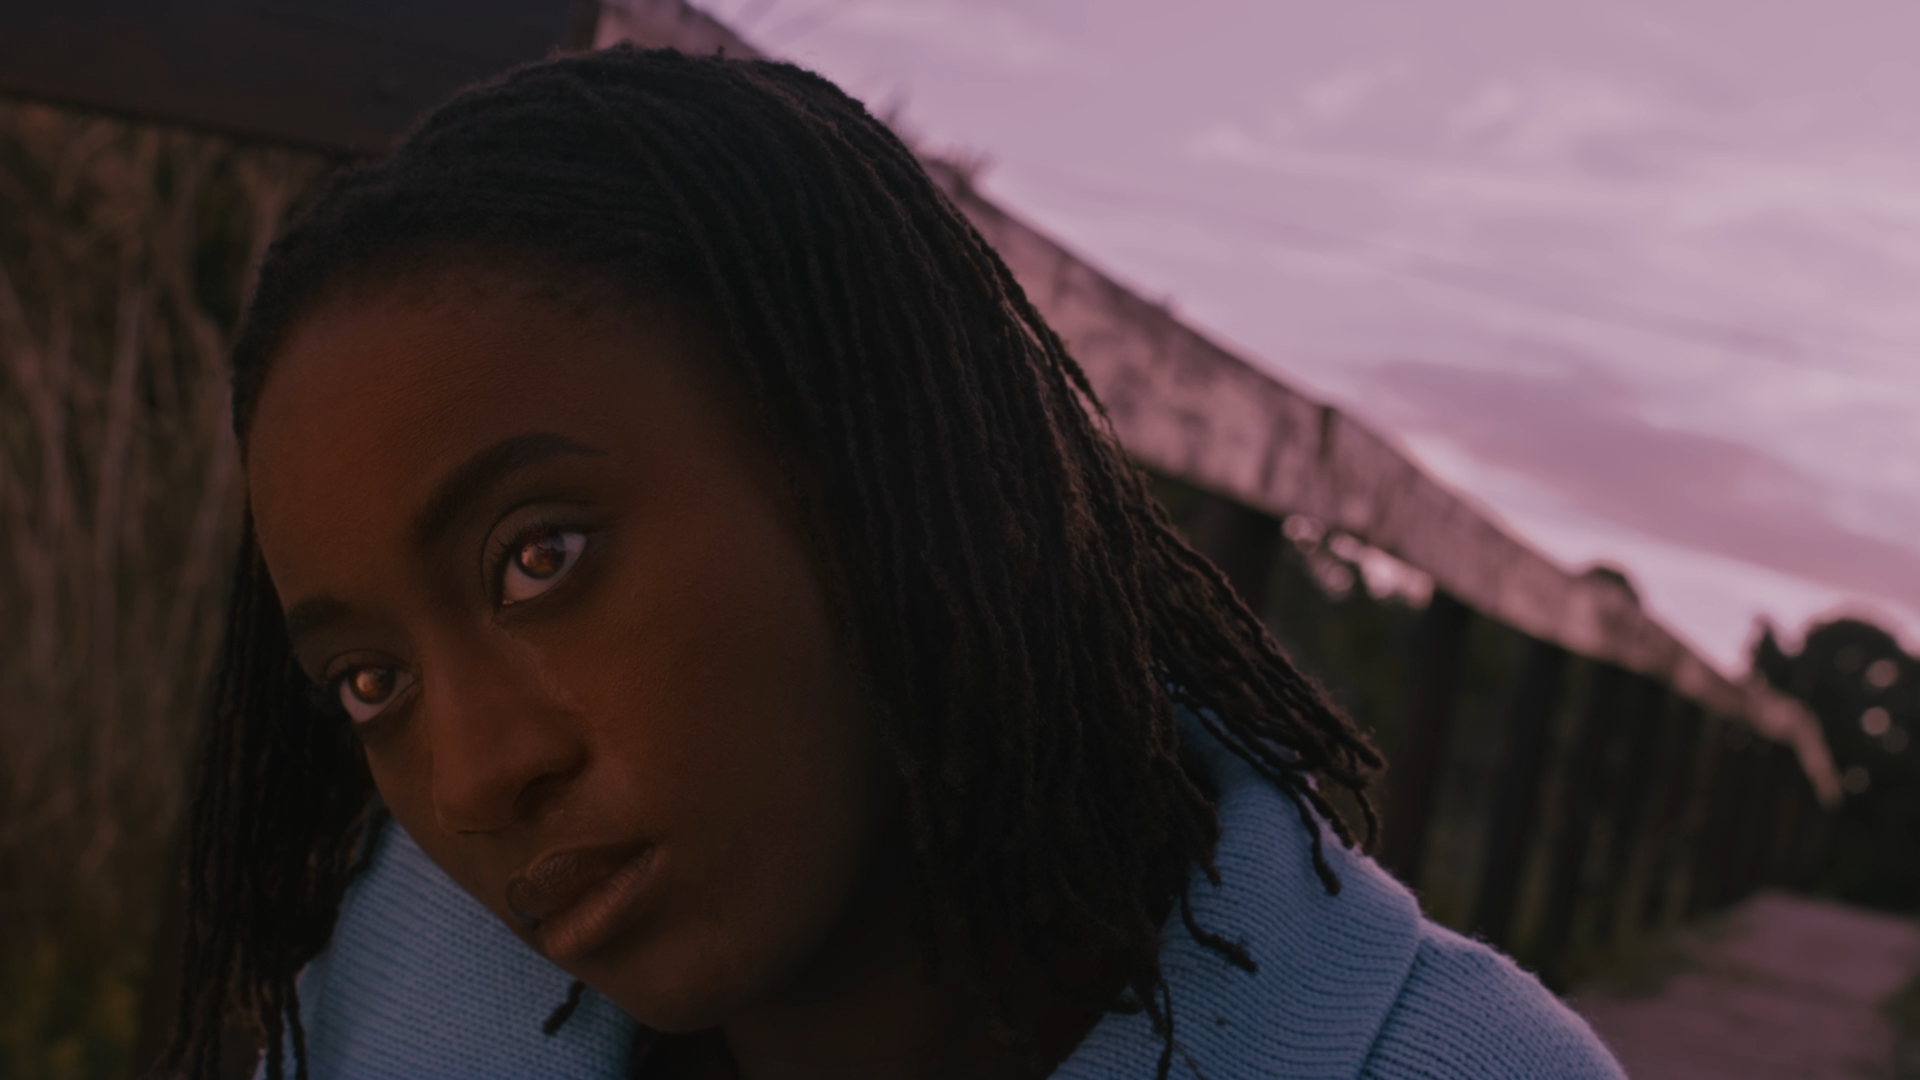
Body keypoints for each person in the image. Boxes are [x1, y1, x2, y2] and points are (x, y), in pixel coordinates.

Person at [161, 46, 1624, 1080]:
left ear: (872, 458)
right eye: (368, 682)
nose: (472, 779)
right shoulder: (413, 973)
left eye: (541, 557)